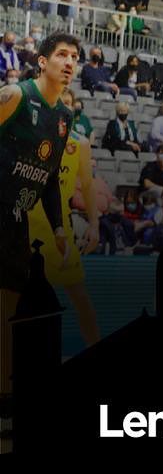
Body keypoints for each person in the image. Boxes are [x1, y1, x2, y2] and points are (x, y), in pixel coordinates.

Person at [0, 32, 78, 403]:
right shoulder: (15, 95)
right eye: (62, 54)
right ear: (43, 62)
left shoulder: (65, 117)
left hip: (16, 219)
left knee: (9, 311)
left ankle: (5, 396)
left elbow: (49, 177)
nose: (70, 62)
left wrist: (60, 228)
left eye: (74, 57)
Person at [28, 88, 100, 346]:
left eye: (69, 103)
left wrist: (94, 224)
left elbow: (88, 187)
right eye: (61, 102)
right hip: (27, 228)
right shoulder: (33, 135)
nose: (65, 107)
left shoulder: (80, 143)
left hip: (61, 232)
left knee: (81, 300)